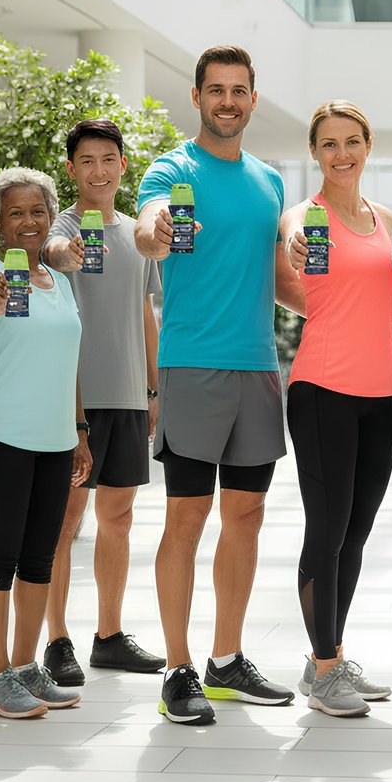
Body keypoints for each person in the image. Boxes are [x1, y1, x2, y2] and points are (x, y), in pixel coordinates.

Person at [134, 46, 301, 724]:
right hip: (192, 365)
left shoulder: (269, 182)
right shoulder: (172, 169)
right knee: (186, 518)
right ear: (197, 97)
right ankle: (178, 667)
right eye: (216, 90)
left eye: (239, 90)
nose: (228, 101)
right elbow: (148, 230)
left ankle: (225, 659)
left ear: (253, 98)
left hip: (259, 367)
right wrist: (156, 232)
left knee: (247, 517)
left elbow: (281, 277)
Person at [281, 100, 392, 718]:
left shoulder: (385, 219)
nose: (342, 153)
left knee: (357, 533)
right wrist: (297, 245)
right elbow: (294, 248)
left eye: (352, 141)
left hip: (381, 393)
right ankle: (327, 666)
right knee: (326, 531)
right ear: (315, 153)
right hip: (322, 390)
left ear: (368, 145)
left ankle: (324, 655)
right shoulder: (304, 217)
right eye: (329, 144)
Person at [37, 119, 166, 687]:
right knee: (65, 522)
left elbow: (144, 311)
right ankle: (56, 639)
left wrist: (156, 389)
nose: (98, 170)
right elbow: (57, 255)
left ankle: (109, 636)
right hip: (74, 399)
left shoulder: (139, 234)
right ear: (71, 169)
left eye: (107, 159)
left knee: (119, 517)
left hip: (130, 395)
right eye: (86, 161)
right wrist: (68, 250)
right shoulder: (60, 227)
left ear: (122, 165)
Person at [0, 167, 90, 718]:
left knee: (40, 559)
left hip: (56, 438)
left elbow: (71, 362)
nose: (29, 221)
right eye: (15, 212)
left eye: (37, 211)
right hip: (1, 435)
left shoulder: (60, 283)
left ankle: (23, 668)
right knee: (2, 556)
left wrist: (81, 431)